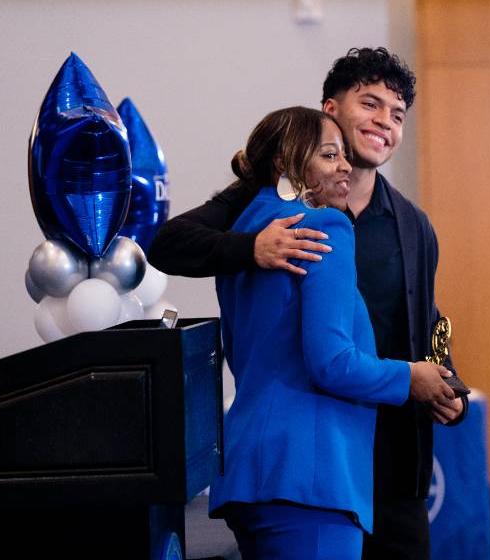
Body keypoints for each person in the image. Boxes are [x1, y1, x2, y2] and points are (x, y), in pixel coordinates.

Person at [149, 48, 467, 560]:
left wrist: (445, 381)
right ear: (331, 110)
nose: (384, 121)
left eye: (397, 114)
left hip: (382, 464)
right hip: (319, 462)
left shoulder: (413, 224)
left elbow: (425, 321)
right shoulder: (276, 210)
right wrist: (252, 248)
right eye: (370, 104)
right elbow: (167, 243)